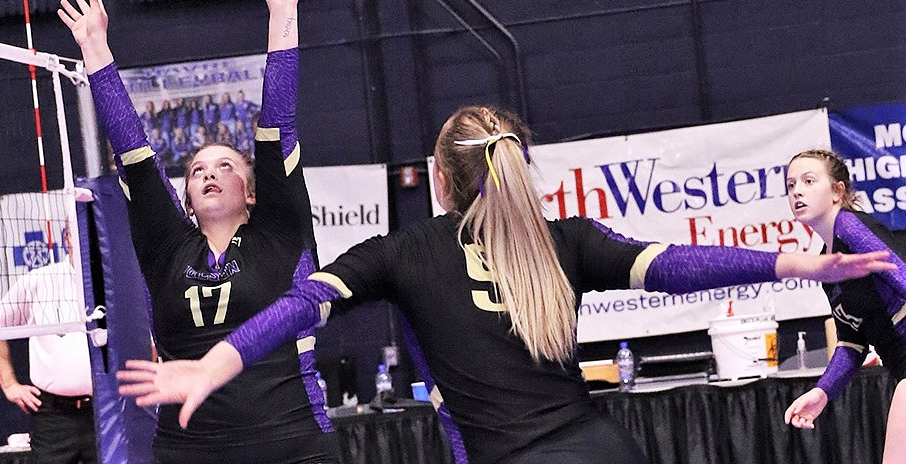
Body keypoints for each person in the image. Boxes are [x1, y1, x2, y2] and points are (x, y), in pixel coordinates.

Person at [116, 106, 895, 464]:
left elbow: (299, 306)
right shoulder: (565, 239)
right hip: (602, 449)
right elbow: (673, 266)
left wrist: (213, 362)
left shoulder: (405, 250)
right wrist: (790, 264)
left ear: (440, 183)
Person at [58, 0, 338, 463]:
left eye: (225, 165)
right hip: (191, 450)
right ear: (186, 196)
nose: (209, 173)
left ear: (252, 192)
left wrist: (282, 14)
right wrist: (95, 48)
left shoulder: (279, 231)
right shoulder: (168, 247)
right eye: (197, 169)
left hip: (291, 445)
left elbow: (278, 122)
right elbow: (134, 154)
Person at [782, 149, 906, 464]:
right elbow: (852, 344)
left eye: (809, 181)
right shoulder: (831, 267)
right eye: (791, 184)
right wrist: (822, 391)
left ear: (838, 191)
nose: (797, 190)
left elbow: (901, 275)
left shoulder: (849, 227)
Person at [0, 228, 96, 464]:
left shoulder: (114, 282)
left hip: (105, 409)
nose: (87, 236)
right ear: (67, 238)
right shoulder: (41, 280)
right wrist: (9, 384)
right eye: (79, 231)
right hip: (54, 416)